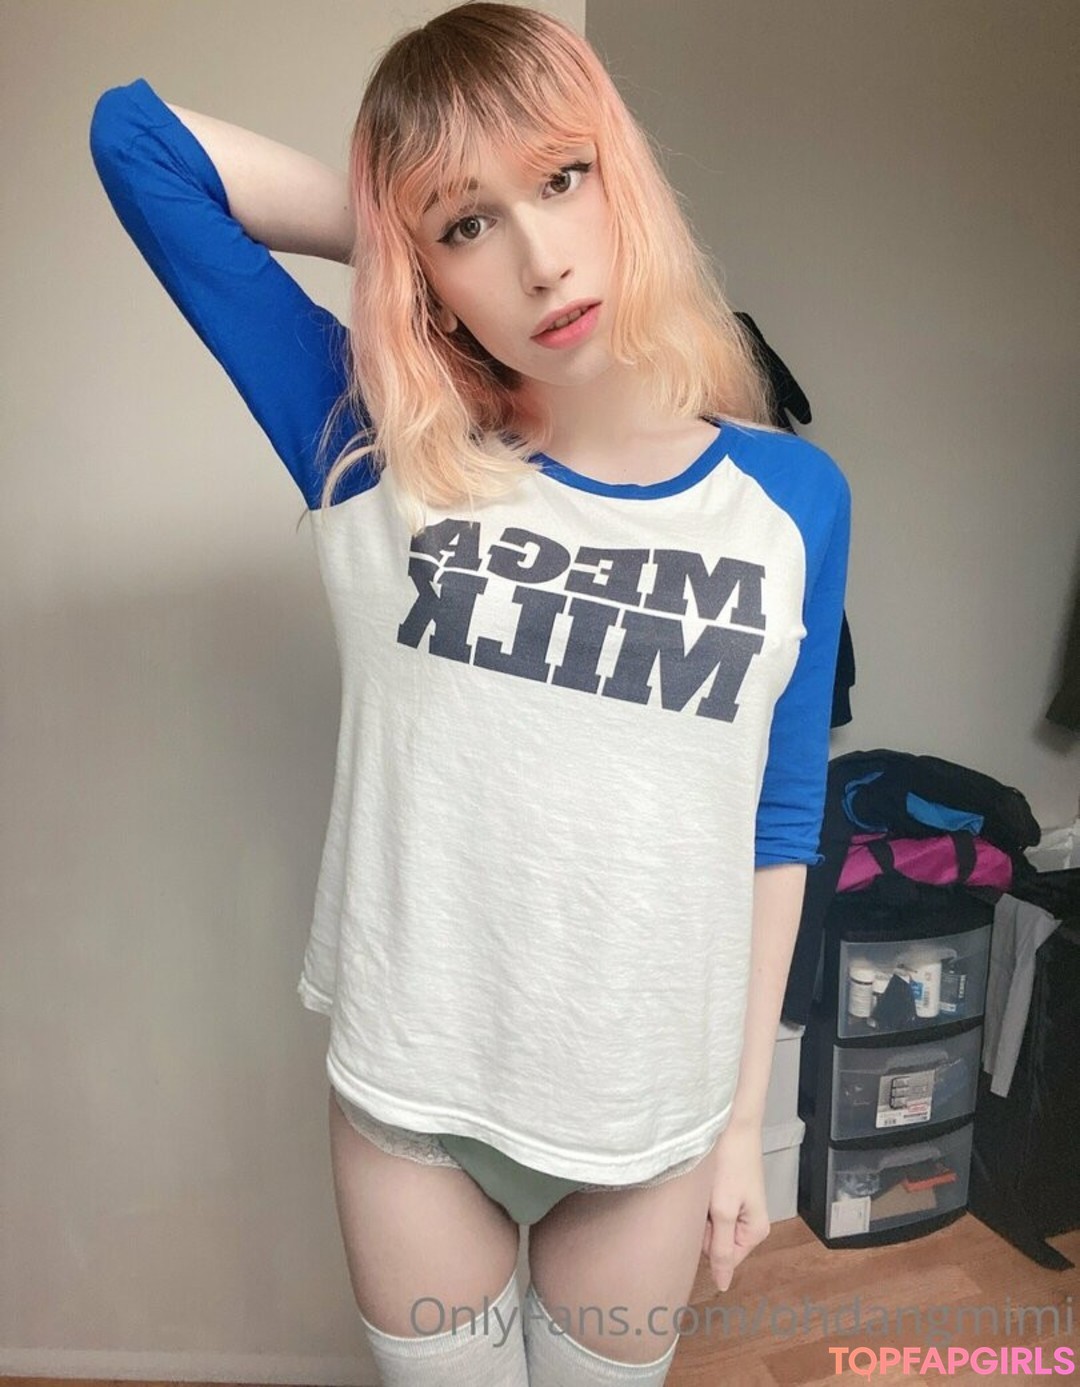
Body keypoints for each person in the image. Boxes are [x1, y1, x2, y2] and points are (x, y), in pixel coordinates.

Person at [89, 4, 851, 1383]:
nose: (540, 258)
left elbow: (779, 819)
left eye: (563, 177)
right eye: (469, 223)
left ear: (622, 171)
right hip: (418, 1108)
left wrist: (745, 1126)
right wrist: (404, 250)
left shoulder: (793, 500)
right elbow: (135, 141)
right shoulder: (371, 445)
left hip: (650, 1122)